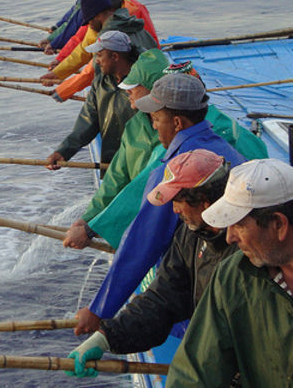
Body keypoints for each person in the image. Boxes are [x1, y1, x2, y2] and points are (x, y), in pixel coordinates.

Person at [74, 74, 247, 335]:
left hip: (200, 304)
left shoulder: (174, 174)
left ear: (176, 122)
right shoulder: (230, 153)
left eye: (156, 119)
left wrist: (100, 310)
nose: (154, 127)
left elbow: (142, 243)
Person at [166, 159, 293, 387]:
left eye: (238, 225)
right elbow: (194, 373)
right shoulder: (232, 278)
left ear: (279, 224)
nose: (229, 237)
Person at [62, 53, 267, 250]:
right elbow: (117, 176)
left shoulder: (185, 147)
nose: (128, 93)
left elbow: (144, 193)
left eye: (133, 88)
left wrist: (93, 228)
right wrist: (89, 218)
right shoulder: (138, 126)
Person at [66, 149, 239, 377]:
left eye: (178, 201)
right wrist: (107, 337)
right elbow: (163, 298)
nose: (174, 210)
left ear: (205, 203)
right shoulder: (190, 236)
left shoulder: (246, 251)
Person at [45, 30, 139, 171]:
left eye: (99, 55)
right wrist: (63, 151)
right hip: (113, 162)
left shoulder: (141, 84)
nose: (96, 61)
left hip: (139, 161)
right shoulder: (100, 83)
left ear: (115, 56)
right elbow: (88, 120)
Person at [41, 0, 157, 86]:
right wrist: (57, 73)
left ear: (98, 16)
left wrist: (62, 91)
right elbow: (83, 51)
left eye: (90, 21)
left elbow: (93, 72)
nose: (89, 26)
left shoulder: (108, 39)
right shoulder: (133, 24)